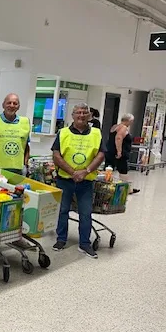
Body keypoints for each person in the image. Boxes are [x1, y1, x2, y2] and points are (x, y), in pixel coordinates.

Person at [51, 103, 106, 258]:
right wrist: (73, 172)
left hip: (86, 182)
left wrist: (85, 171)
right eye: (78, 112)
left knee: (86, 213)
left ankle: (85, 244)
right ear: (72, 115)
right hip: (65, 179)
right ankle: (61, 239)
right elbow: (56, 155)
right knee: (62, 211)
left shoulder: (96, 133)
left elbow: (101, 155)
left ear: (89, 115)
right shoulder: (63, 133)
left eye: (84, 112)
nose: (81, 115)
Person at [0, 93, 30, 175]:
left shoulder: (25, 123)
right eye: (9, 103)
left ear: (18, 107)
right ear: (3, 105)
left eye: (15, 103)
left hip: (18, 171)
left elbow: (26, 145)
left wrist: (25, 164)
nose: (12, 106)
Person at [105, 113, 139, 194]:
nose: (131, 123)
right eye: (132, 121)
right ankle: (127, 189)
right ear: (129, 121)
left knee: (109, 169)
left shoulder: (115, 126)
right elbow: (118, 138)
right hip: (119, 153)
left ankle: (106, 187)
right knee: (123, 171)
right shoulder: (123, 128)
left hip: (110, 151)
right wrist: (119, 151)